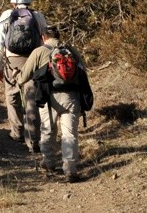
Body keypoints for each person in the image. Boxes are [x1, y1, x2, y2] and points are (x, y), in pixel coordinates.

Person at [20, 25, 91, 182]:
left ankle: (49, 163)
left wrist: (17, 78)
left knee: (48, 130)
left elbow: (24, 76)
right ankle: (70, 169)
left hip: (49, 99)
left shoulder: (39, 51)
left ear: (43, 37)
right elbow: (83, 72)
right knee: (70, 134)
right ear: (58, 36)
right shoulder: (71, 50)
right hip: (71, 97)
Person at [0, 0, 49, 151]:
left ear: (13, 2)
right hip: (33, 60)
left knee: (12, 95)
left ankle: (17, 132)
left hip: (12, 62)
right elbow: (45, 39)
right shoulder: (37, 16)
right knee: (32, 98)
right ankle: (34, 139)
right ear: (29, 1)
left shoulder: (6, 15)